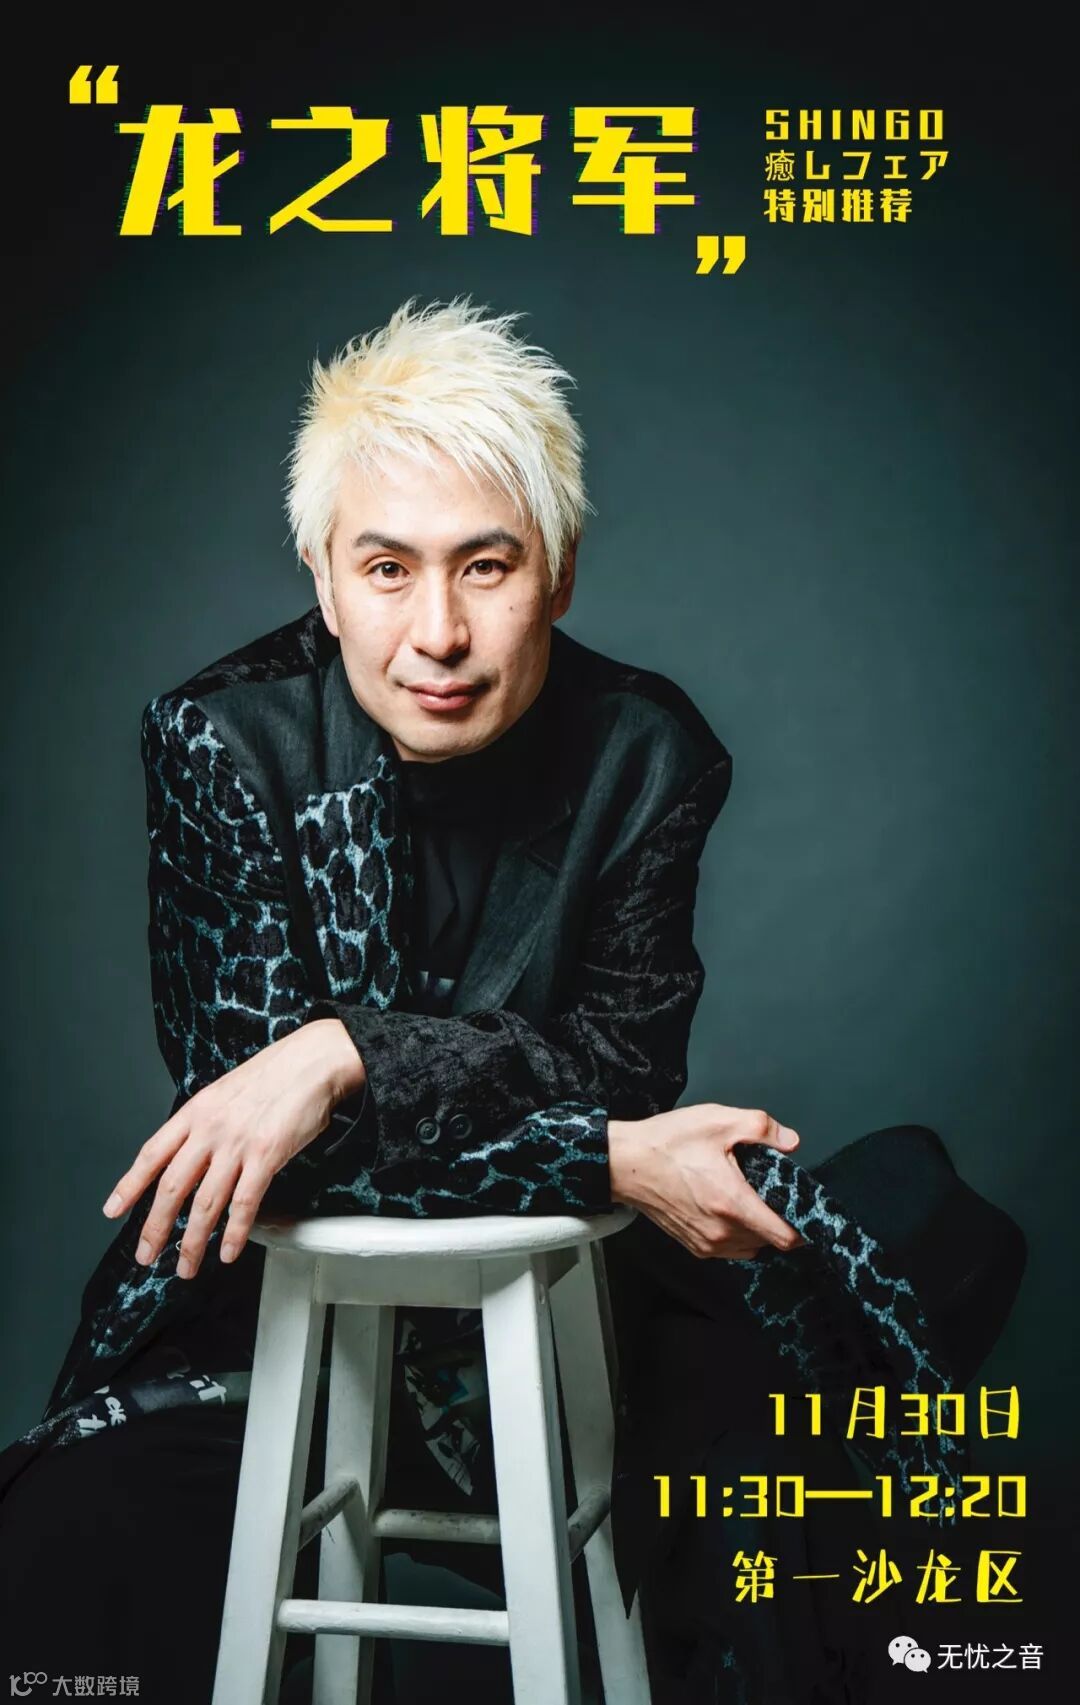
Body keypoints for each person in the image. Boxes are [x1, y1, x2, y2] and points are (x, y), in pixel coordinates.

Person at [0, 299, 1021, 1705]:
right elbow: (266, 1145)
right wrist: (607, 1156)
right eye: (386, 569)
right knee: (69, 1567)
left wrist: (347, 1052)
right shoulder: (220, 740)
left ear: (560, 571)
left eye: (487, 565)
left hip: (555, 1295)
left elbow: (617, 1066)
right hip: (271, 1310)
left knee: (854, 1353)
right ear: (322, 577)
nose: (438, 632)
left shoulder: (648, 753)